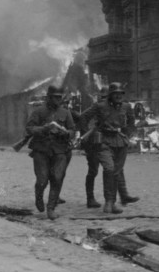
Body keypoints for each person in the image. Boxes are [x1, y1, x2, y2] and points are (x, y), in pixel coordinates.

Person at [79, 82, 138, 214]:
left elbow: (132, 123)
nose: (118, 96)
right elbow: (83, 117)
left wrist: (127, 135)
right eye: (115, 94)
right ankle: (108, 202)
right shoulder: (99, 106)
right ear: (110, 95)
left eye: (120, 94)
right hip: (104, 141)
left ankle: (112, 202)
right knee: (109, 168)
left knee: (116, 172)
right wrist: (87, 134)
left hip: (120, 142)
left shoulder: (127, 107)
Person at [25, 85, 75, 220]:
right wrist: (44, 129)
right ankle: (39, 196)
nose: (58, 100)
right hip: (41, 149)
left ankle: (51, 208)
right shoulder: (39, 111)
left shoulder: (65, 112)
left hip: (60, 150)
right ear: (49, 97)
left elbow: (72, 131)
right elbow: (29, 128)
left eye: (59, 97)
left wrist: (65, 132)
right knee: (42, 180)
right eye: (55, 97)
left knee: (57, 178)